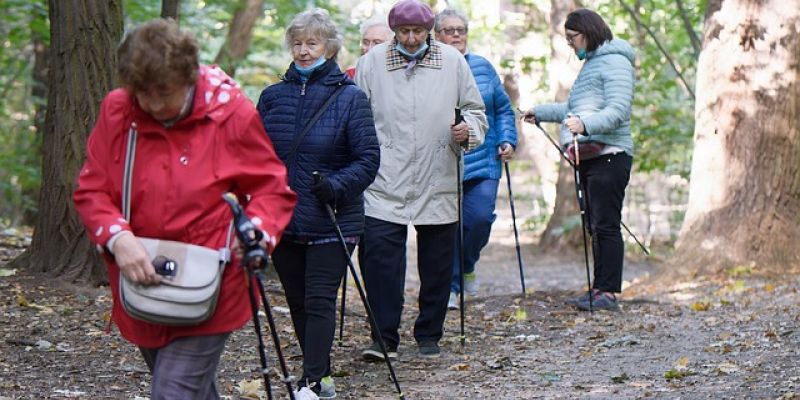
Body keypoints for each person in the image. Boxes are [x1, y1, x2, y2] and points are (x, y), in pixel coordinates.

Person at [73, 19, 297, 400]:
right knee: (186, 389)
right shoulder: (118, 111)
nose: (154, 105)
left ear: (189, 76)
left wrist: (257, 231)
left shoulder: (230, 114)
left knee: (173, 391)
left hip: (213, 280)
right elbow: (92, 188)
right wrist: (117, 237)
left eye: (164, 92)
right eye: (143, 93)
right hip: (142, 277)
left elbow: (271, 190)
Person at [257, 8, 380, 399]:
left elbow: (368, 159)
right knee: (296, 299)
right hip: (284, 217)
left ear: (329, 47)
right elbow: (253, 154)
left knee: (319, 297)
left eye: (312, 43)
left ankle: (310, 384)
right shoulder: (273, 96)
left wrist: (337, 185)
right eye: (297, 43)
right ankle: (321, 373)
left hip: (333, 216)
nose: (304, 51)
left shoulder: (350, 98)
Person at [355, 0, 487, 359]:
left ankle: (429, 333)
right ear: (394, 31)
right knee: (380, 260)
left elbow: (476, 111)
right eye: (403, 32)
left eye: (417, 32)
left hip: (438, 170)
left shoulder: (453, 61)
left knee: (438, 261)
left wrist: (467, 131)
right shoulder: (372, 63)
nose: (411, 39)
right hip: (384, 176)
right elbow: (357, 115)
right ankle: (383, 338)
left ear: (429, 30)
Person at [523, 8, 635, 312]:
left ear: (588, 31)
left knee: (606, 225)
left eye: (572, 37)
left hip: (610, 155)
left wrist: (585, 125)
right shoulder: (593, 65)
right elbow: (573, 109)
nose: (570, 44)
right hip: (590, 157)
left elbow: (618, 110)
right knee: (595, 224)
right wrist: (541, 113)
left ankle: (608, 293)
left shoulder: (615, 63)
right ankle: (599, 288)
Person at [434, 9, 518, 309]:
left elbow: (503, 110)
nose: (456, 35)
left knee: (478, 220)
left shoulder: (483, 67)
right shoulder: (432, 68)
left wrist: (508, 139)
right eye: (448, 30)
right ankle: (453, 287)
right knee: (447, 228)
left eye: (461, 30)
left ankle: (467, 265)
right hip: (443, 162)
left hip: (484, 161)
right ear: (436, 35)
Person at [345, 14, 394, 79]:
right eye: (365, 42)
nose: (369, 48)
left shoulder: (399, 77)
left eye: (377, 43)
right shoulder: (350, 76)